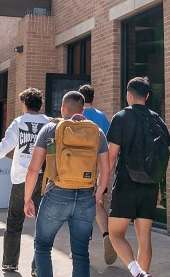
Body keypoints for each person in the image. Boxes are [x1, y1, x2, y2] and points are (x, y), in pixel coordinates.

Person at [24, 90, 109, 277]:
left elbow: (33, 169)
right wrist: (98, 194)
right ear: (82, 110)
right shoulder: (96, 132)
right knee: (80, 253)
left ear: (62, 108)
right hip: (86, 195)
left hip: (57, 192)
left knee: (43, 246)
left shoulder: (50, 128)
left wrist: (27, 198)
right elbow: (106, 168)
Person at [106, 77, 170, 277]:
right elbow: (164, 156)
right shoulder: (157, 119)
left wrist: (100, 187)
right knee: (145, 239)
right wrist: (160, 186)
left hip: (126, 184)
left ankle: (136, 272)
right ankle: (142, 273)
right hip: (151, 185)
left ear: (128, 94)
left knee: (115, 234)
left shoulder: (121, 117)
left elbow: (110, 157)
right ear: (148, 96)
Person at [0, 88, 51, 272]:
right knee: (42, 224)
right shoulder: (50, 123)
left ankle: (10, 262)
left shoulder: (19, 122)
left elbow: (5, 146)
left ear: (25, 105)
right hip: (44, 179)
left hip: (22, 179)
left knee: (14, 221)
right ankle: (39, 267)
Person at [78, 83, 114, 263]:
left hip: (79, 169)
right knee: (98, 205)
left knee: (79, 209)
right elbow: (108, 147)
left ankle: (80, 248)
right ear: (94, 97)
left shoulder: (77, 116)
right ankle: (107, 235)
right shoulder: (102, 117)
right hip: (99, 169)